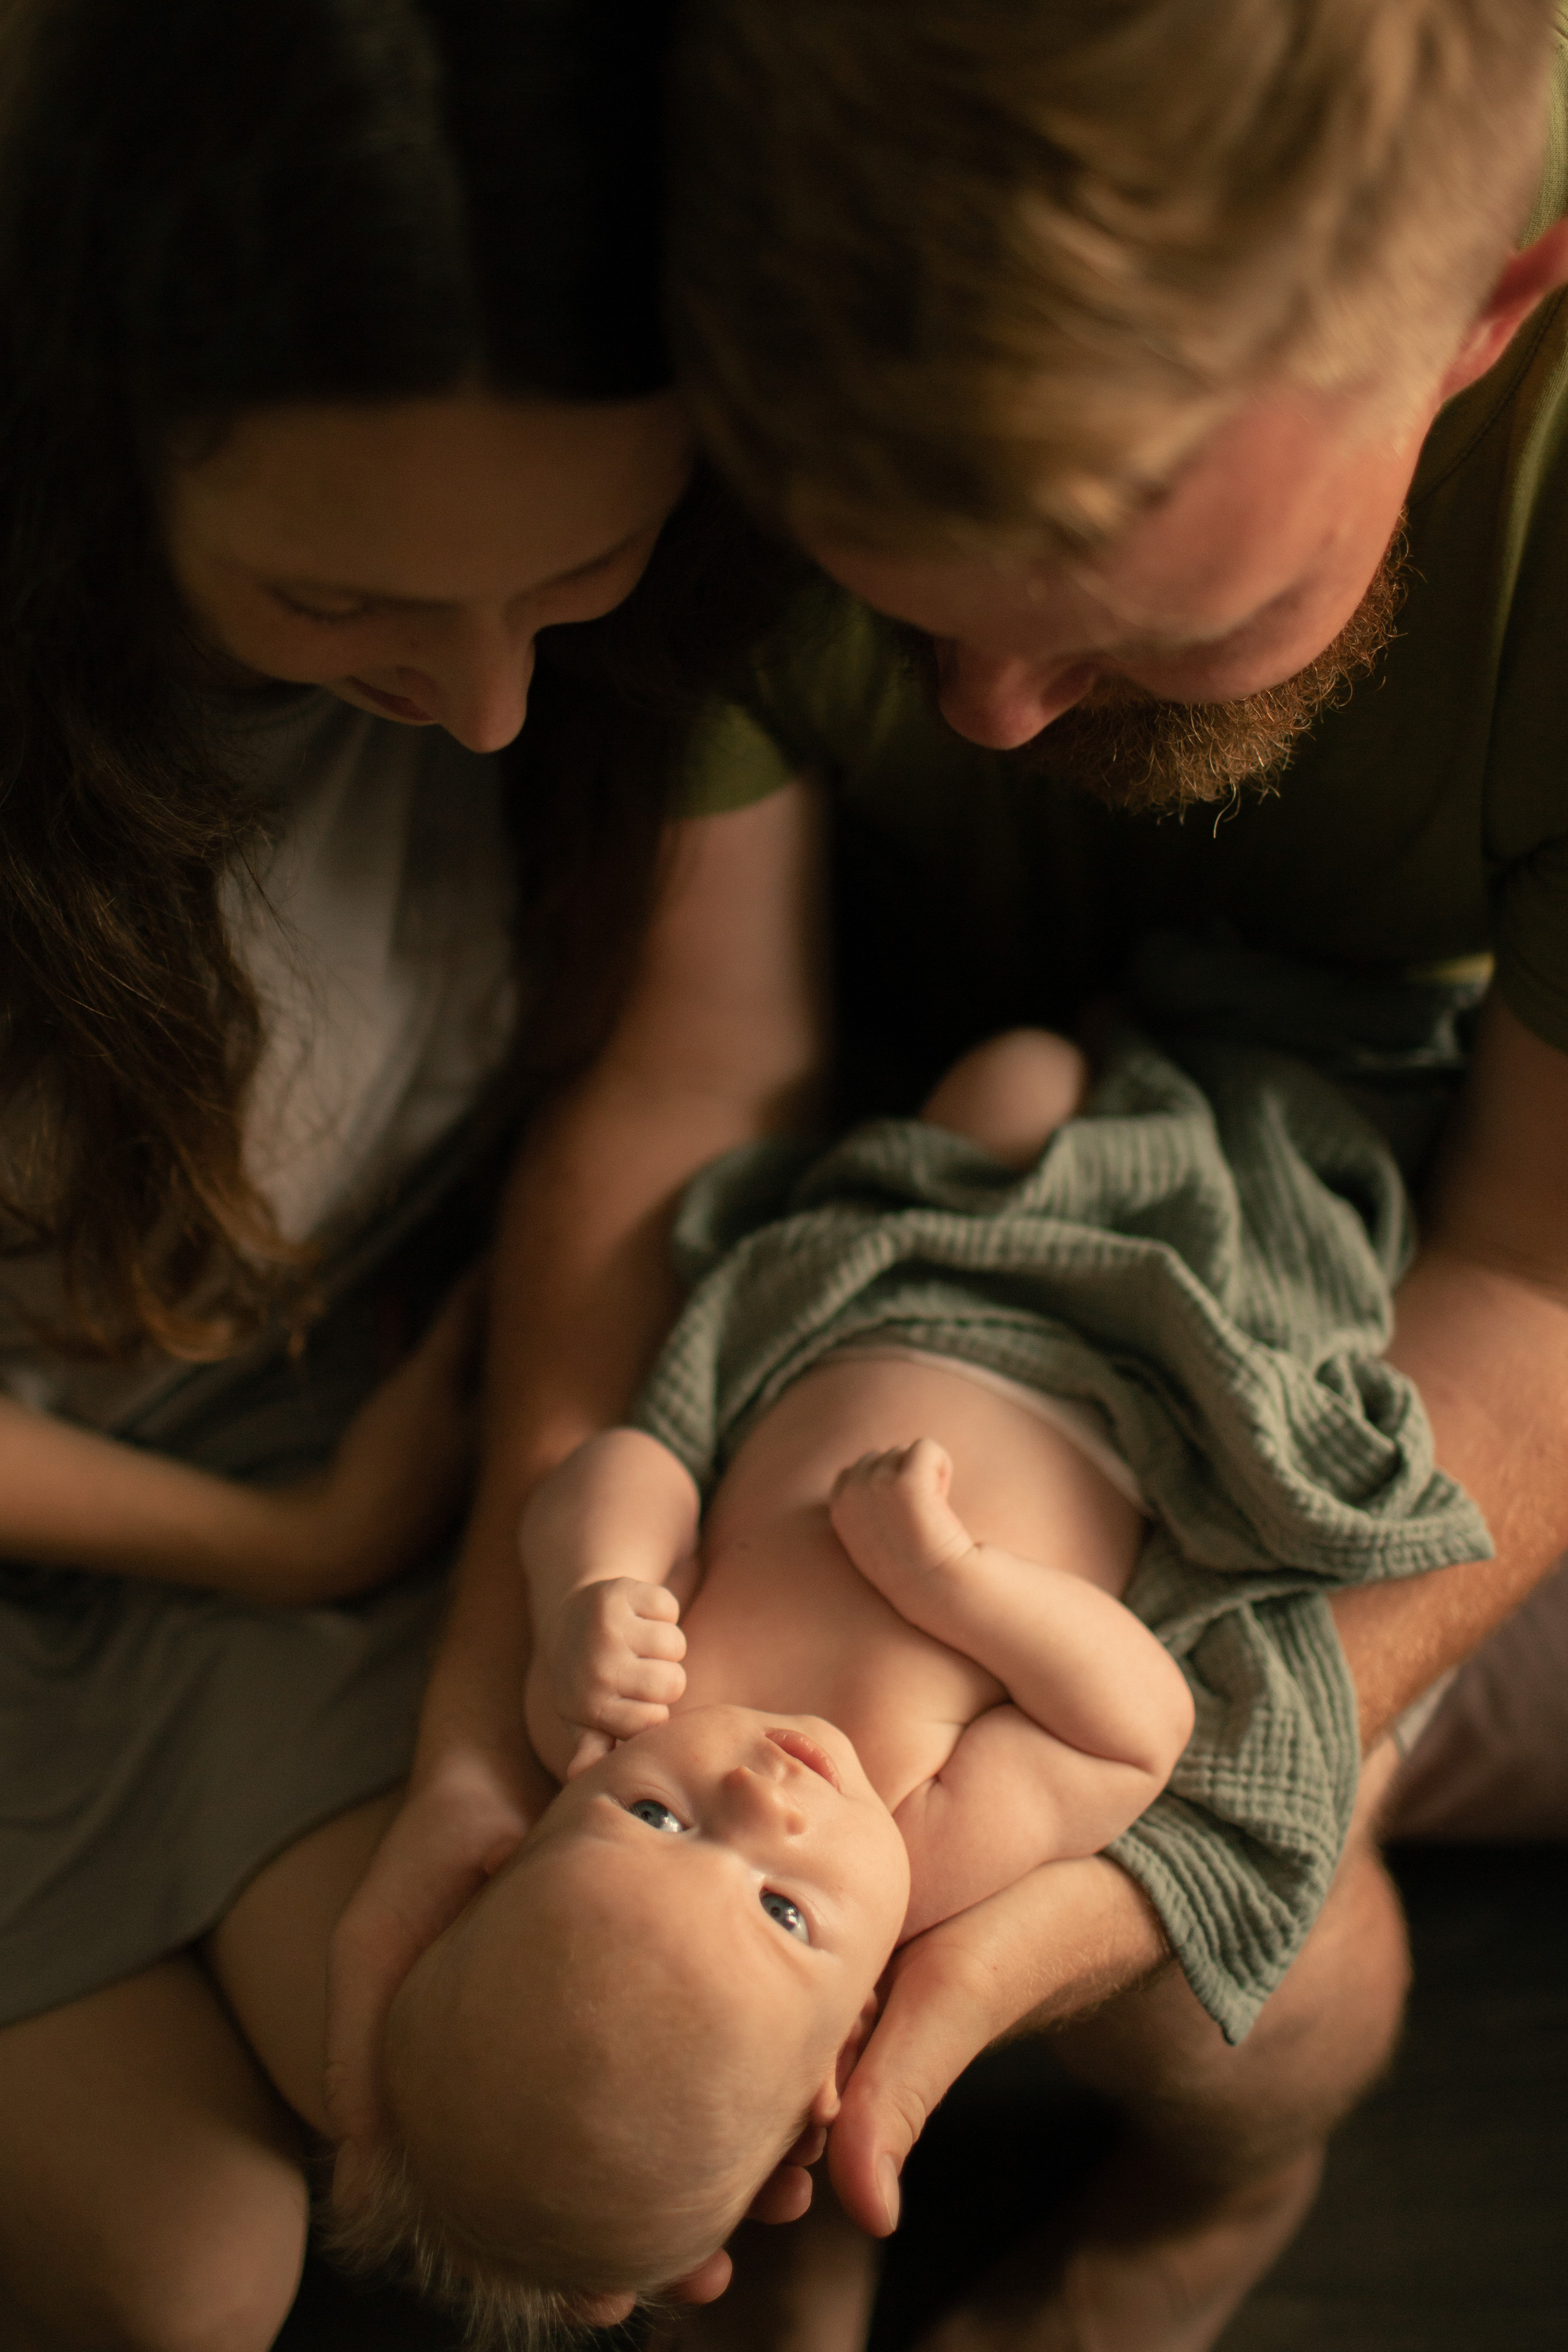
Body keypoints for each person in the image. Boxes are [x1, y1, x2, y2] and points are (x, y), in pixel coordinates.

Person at [564, 1, 1568, 2345]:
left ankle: (1222, 2201)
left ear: (1484, 316)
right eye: (898, 596)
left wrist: (1165, 1840)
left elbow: (1532, 1274)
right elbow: (683, 1088)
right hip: (926, 1191)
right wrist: (509, 1706)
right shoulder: (743, 232)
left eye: (1161, 619)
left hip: (1397, 1250)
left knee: (1244, 1929)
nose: (994, 715)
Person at [0, 4, 813, 2346]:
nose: (484, 707)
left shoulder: (688, 624)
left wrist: (483, 1609)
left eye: (575, 568)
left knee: (525, 2110)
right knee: (189, 2284)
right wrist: (302, 1542)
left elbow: (700, 1072)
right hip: (189, 1505)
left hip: (310, 1452)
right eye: (340, 602)